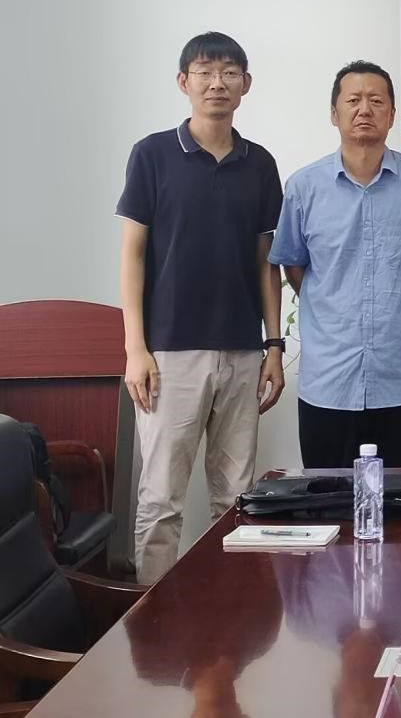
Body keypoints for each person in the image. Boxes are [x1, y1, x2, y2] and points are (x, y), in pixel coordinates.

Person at [117, 31, 284, 585]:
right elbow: (133, 255)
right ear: (183, 82)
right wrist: (135, 348)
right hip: (169, 352)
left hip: (242, 351)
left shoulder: (260, 164)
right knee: (161, 497)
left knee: (237, 498)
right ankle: (148, 615)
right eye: (205, 72)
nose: (218, 83)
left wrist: (274, 345)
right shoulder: (153, 154)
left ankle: (229, 612)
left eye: (229, 72)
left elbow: (266, 261)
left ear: (246, 84)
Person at [269, 60, 401, 468]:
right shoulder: (304, 186)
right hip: (330, 377)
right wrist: (333, 300)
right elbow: (294, 264)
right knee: (326, 496)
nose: (365, 109)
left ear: (392, 115)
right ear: (334, 113)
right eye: (353, 100)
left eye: (376, 101)